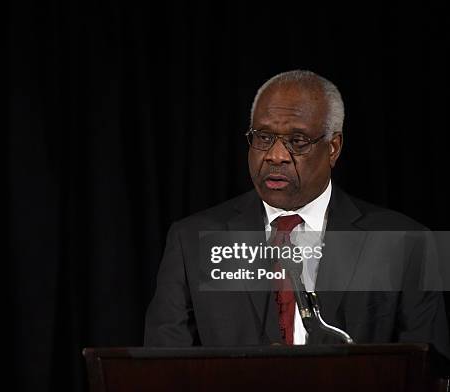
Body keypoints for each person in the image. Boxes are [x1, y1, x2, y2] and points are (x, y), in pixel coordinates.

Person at [144, 70, 450, 357]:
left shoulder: (409, 244)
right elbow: (164, 371)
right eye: (263, 138)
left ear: (333, 147)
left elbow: (427, 373)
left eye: (297, 141)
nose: (276, 155)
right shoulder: (190, 240)